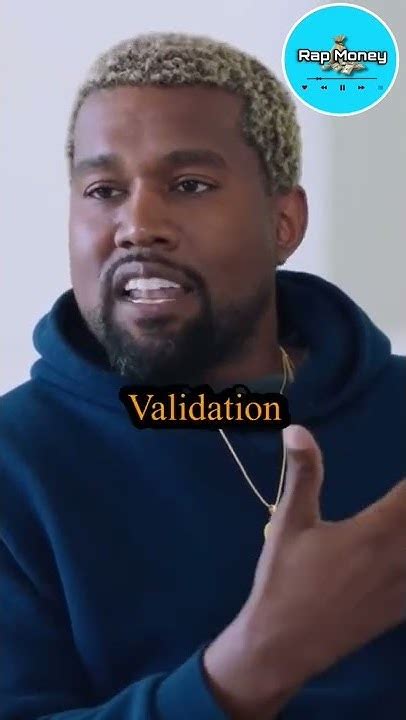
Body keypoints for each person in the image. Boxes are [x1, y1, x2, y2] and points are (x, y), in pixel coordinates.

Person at [1, 31, 405, 720]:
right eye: (104, 190)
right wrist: (258, 662)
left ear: (284, 222)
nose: (138, 225)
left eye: (189, 185)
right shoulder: (17, 463)